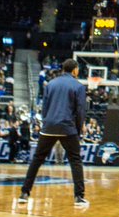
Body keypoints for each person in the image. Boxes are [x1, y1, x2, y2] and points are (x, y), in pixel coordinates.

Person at [17, 58, 88, 207]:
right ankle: (78, 197)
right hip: (67, 127)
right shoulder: (79, 86)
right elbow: (80, 110)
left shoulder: (50, 84)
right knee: (75, 160)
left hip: (49, 127)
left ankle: (24, 193)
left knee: (37, 160)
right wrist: (77, 129)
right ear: (75, 70)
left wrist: (47, 123)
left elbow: (44, 108)